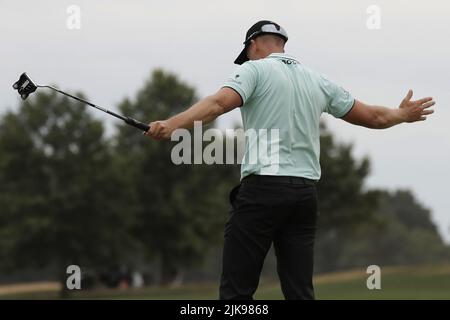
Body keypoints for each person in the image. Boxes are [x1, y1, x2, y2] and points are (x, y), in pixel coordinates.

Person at [145, 20, 435, 300]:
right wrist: (402, 115)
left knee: (236, 293)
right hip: (304, 197)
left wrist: (172, 125)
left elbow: (219, 103)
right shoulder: (316, 79)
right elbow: (374, 116)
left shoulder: (254, 70)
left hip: (263, 192)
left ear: (254, 45)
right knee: (300, 293)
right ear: (281, 45)